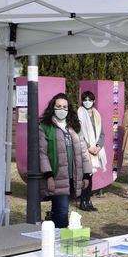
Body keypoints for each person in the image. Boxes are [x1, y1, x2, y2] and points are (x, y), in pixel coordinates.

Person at [39, 93, 92, 228]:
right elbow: (42, 154)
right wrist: (48, 175)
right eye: (58, 106)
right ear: (53, 107)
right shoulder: (45, 127)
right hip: (57, 176)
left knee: (61, 210)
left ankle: (51, 225)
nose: (62, 109)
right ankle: (58, 237)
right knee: (62, 213)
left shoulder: (74, 126)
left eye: (65, 107)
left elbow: (84, 152)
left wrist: (86, 175)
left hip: (73, 177)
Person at [77, 91, 106, 212]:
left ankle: (88, 200)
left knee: (90, 176)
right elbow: (79, 133)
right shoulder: (79, 114)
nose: (87, 102)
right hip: (84, 149)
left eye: (90, 99)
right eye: (85, 99)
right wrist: (88, 147)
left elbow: (102, 133)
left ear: (94, 101)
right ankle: (83, 201)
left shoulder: (97, 114)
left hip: (95, 150)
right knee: (86, 176)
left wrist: (98, 146)